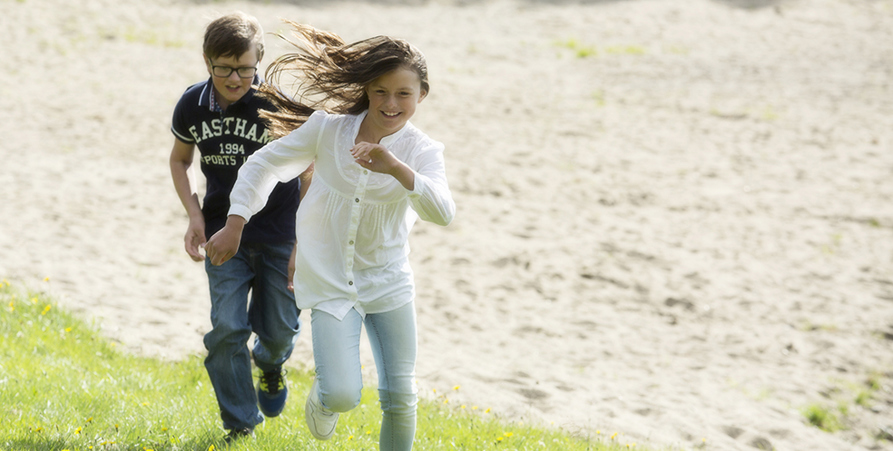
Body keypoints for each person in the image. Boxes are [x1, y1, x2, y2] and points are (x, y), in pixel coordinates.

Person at [204, 21, 455, 451]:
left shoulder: (423, 151)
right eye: (380, 91)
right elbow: (264, 165)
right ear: (366, 90)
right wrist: (235, 221)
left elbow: (442, 212)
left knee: (400, 395)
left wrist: (395, 166)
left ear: (422, 95)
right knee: (341, 393)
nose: (390, 103)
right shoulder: (328, 130)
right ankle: (323, 400)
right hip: (331, 284)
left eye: (403, 94)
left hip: (389, 282)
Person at [168, 12, 310, 442]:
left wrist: (302, 241)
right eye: (224, 68)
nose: (234, 77)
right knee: (227, 330)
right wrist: (194, 215)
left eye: (244, 68)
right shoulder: (192, 104)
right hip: (222, 236)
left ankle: (269, 365)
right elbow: (180, 159)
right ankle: (242, 425)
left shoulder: (277, 105)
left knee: (280, 331)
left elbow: (309, 173)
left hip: (280, 235)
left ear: (259, 61)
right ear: (208, 62)